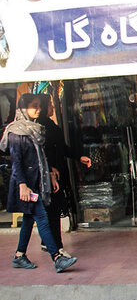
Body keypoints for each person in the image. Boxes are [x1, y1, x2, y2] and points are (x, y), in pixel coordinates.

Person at [1, 93, 77, 272]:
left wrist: (49, 173)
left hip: (37, 182)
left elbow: (40, 158)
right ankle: (57, 257)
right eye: (33, 106)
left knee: (29, 220)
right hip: (26, 185)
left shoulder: (34, 129)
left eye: (39, 106)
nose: (38, 109)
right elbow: (17, 162)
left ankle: (19, 255)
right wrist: (22, 185)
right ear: (22, 108)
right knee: (42, 218)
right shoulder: (16, 132)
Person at [37, 94, 92, 257]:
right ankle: (55, 247)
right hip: (49, 175)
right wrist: (49, 170)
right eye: (50, 105)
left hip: (58, 173)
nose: (52, 108)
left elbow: (62, 147)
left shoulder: (51, 126)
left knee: (54, 209)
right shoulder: (38, 128)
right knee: (50, 210)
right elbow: (41, 153)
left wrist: (78, 156)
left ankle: (49, 243)